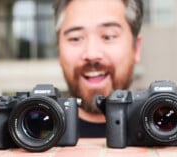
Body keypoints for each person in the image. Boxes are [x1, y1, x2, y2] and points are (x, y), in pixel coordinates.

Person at [53, 0, 143, 137]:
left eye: (108, 36)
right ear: (58, 51)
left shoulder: (169, 129)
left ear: (136, 48)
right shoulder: (31, 133)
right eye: (76, 38)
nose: (92, 54)